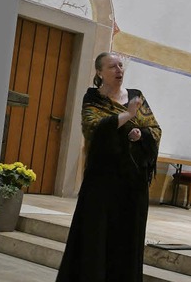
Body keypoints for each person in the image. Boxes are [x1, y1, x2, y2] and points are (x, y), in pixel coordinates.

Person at [56, 52, 161, 282]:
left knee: (127, 240)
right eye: (112, 66)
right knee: (97, 237)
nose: (119, 70)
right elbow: (93, 129)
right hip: (102, 183)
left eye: (121, 65)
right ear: (100, 73)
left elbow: (154, 129)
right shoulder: (93, 98)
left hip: (133, 184)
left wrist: (139, 135)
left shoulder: (136, 96)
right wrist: (127, 116)